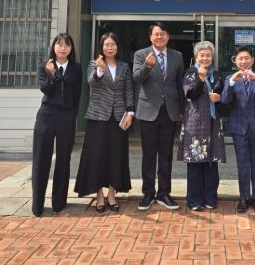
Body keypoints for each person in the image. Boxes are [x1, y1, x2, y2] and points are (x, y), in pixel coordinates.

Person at [74, 32, 134, 213]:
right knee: (97, 156)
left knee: (116, 156)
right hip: (98, 117)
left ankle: (112, 194)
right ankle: (99, 194)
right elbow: (91, 82)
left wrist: (131, 112)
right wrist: (100, 71)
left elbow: (129, 90)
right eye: (107, 44)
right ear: (102, 47)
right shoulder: (94, 64)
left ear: (117, 47)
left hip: (119, 118)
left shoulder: (124, 67)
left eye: (113, 44)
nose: (110, 47)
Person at [133, 22, 185, 210]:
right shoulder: (141, 54)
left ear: (168, 36)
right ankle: (148, 194)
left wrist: (182, 110)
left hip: (169, 111)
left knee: (166, 155)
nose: (159, 37)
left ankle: (164, 193)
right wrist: (147, 66)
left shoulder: (177, 56)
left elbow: (180, 84)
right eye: (156, 34)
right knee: (148, 155)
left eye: (163, 33)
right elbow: (136, 77)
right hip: (148, 111)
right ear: (150, 37)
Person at [32, 33, 82, 217]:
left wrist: (73, 115)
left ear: (71, 49)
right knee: (41, 159)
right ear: (54, 46)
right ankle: (37, 205)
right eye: (60, 44)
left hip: (67, 116)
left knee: (63, 159)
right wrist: (51, 75)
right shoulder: (45, 65)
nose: (63, 48)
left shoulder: (76, 68)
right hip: (46, 115)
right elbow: (45, 89)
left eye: (67, 45)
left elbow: (77, 95)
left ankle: (59, 202)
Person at [221, 46, 255, 213]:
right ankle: (244, 197)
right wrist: (231, 82)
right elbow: (224, 100)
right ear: (235, 61)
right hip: (239, 128)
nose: (243, 61)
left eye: (246, 58)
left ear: (252, 60)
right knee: (242, 164)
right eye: (240, 58)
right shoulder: (230, 78)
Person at [177, 41, 226, 211]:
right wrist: (201, 78)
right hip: (195, 123)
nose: (205, 58)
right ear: (196, 57)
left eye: (208, 55)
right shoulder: (190, 74)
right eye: (202, 55)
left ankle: (211, 198)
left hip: (213, 123)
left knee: (211, 162)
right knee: (195, 162)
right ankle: (194, 200)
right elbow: (191, 94)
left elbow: (224, 97)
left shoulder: (217, 75)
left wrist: (219, 99)